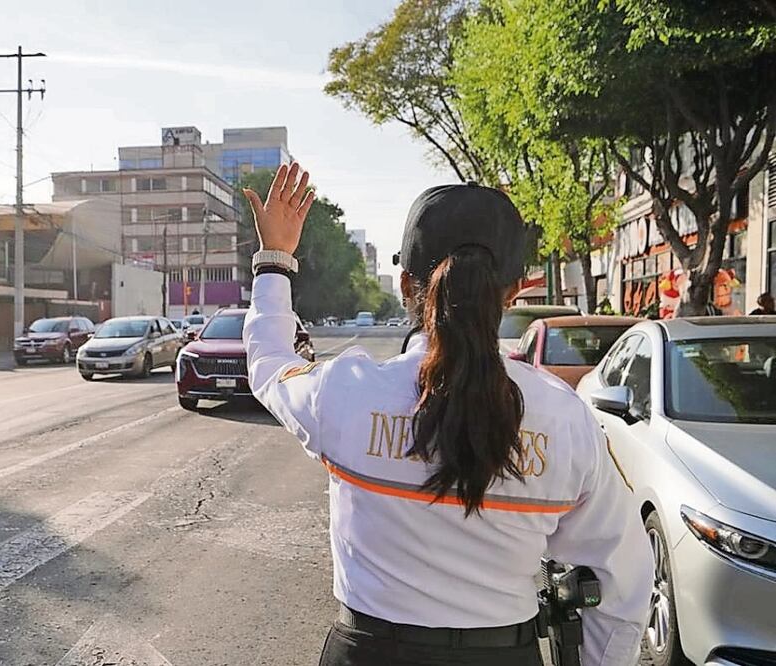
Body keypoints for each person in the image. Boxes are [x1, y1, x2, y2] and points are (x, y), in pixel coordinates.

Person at [243, 164, 651, 666]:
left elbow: (268, 364)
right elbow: (623, 578)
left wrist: (275, 261)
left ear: (405, 284)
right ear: (513, 292)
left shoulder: (345, 394)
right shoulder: (566, 419)